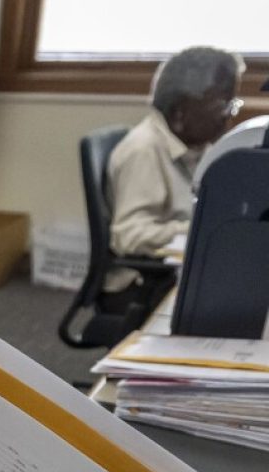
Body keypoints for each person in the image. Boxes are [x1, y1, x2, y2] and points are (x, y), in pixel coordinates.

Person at [101, 46, 244, 317]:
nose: (229, 116)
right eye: (224, 105)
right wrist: (200, 231)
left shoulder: (192, 146)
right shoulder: (144, 150)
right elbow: (130, 236)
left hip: (174, 270)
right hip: (143, 285)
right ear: (180, 112)